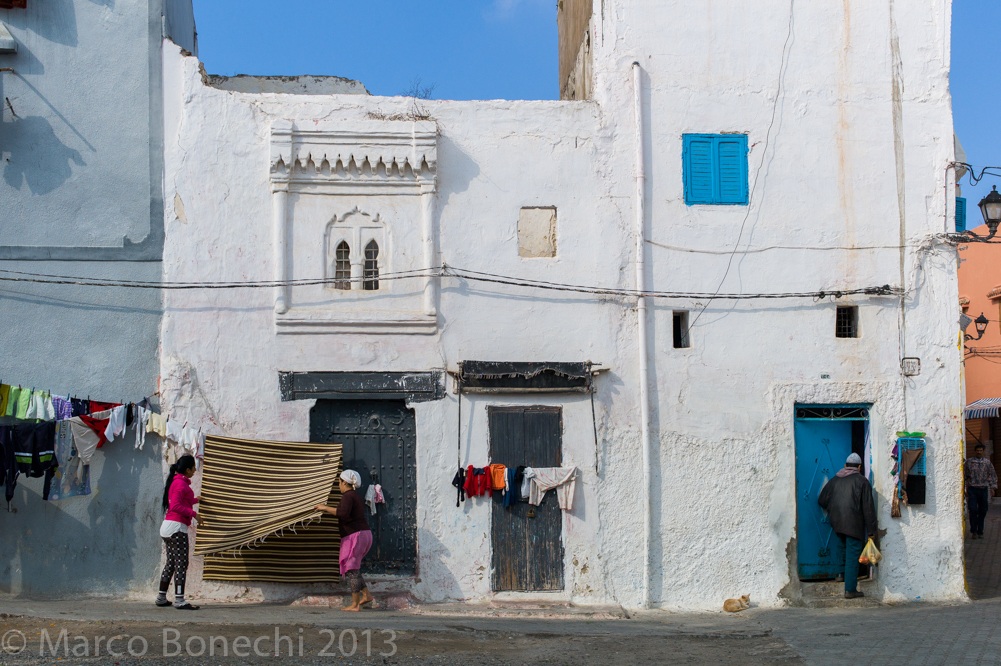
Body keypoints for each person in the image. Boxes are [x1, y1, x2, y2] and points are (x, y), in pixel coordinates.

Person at [818, 452, 877, 599]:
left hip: (837, 523)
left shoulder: (834, 480)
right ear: (859, 467)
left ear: (845, 465)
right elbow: (868, 508)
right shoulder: (862, 481)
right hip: (854, 524)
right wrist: (872, 531)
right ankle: (850, 589)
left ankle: (840, 575)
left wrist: (834, 509)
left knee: (842, 549)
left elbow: (821, 500)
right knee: (852, 555)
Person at [316, 469, 374, 611]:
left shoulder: (348, 496)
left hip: (356, 536)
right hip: (363, 534)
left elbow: (342, 513)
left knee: (352, 570)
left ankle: (355, 604)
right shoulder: (355, 496)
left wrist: (324, 508)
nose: (339, 486)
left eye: (339, 482)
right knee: (353, 568)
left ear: (344, 482)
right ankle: (366, 595)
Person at [156, 455, 200, 610]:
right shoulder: (181, 485)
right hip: (177, 528)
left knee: (171, 563)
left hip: (168, 527)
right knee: (181, 563)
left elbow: (181, 501)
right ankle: (180, 600)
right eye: (193, 467)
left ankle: (161, 597)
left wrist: (196, 500)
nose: (195, 470)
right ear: (187, 469)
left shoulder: (177, 482)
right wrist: (194, 514)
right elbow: (175, 506)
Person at [965, 443, 998, 540]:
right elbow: (964, 475)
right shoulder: (969, 462)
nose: (979, 452)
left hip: (983, 489)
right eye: (977, 450)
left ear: (983, 451)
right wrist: (964, 489)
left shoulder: (987, 463)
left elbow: (992, 475)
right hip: (972, 489)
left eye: (981, 450)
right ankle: (974, 531)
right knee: (973, 510)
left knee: (983, 510)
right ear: (975, 451)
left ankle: (980, 530)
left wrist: (993, 488)